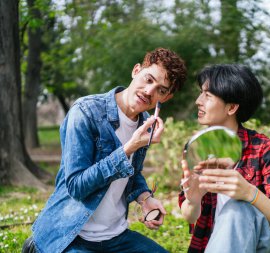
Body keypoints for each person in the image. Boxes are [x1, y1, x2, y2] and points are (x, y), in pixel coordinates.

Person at [23, 48, 187, 253]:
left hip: (115, 237)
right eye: (148, 79)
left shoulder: (145, 124)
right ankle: (37, 246)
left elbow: (132, 173)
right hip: (72, 236)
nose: (149, 91)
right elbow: (76, 186)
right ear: (136, 70)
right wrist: (129, 148)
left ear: (166, 97)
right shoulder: (85, 112)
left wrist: (145, 198)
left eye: (161, 90)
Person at [178, 64, 270, 253]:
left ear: (231, 107)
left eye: (208, 95)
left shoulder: (263, 148)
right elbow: (190, 217)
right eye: (200, 93)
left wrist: (249, 193)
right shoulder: (197, 148)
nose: (198, 101)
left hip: (269, 245)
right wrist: (193, 200)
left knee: (237, 209)